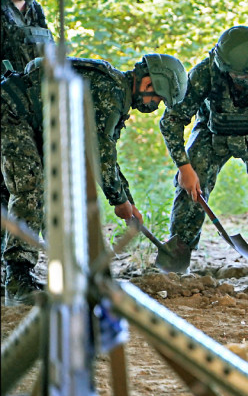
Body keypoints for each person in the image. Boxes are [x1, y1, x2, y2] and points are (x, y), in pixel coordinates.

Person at [1, 53, 187, 304]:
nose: (156, 105)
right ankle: (17, 279)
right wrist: (119, 201)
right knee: (31, 187)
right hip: (12, 112)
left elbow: (107, 154)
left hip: (34, 122)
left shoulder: (115, 94)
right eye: (158, 98)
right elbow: (100, 156)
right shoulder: (110, 94)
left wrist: (128, 202)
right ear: (147, 84)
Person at [160, 26, 248, 287]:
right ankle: (176, 262)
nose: (246, 78)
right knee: (190, 188)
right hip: (214, 134)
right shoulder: (205, 71)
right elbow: (172, 119)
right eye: (239, 74)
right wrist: (184, 167)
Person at [0, 0, 55, 287]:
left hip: (30, 112)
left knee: (11, 191)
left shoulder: (34, 12)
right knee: (28, 185)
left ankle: (11, 273)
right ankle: (18, 275)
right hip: (5, 112)